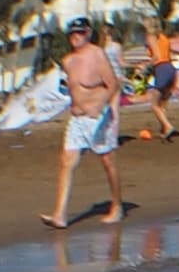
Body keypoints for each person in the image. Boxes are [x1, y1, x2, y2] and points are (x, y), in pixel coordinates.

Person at [41, 22, 129, 227]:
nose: (76, 36)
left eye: (80, 32)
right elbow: (68, 90)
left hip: (97, 118)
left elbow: (113, 84)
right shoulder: (68, 61)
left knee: (107, 162)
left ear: (88, 33)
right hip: (77, 119)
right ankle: (59, 215)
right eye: (73, 33)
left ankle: (117, 206)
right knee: (66, 162)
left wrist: (100, 104)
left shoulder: (97, 54)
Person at [136, 18, 179, 142]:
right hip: (170, 68)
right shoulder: (163, 37)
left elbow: (157, 56)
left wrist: (145, 66)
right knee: (163, 103)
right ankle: (164, 129)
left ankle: (168, 127)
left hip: (161, 68)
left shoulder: (151, 37)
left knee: (154, 104)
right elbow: (168, 53)